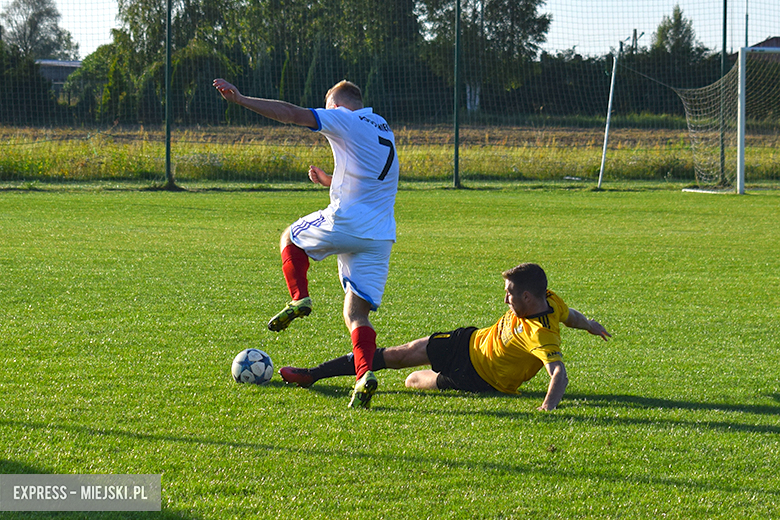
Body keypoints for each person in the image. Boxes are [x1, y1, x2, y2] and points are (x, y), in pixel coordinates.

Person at [213, 78, 399, 409]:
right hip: (380, 235)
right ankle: (364, 376)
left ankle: (299, 298)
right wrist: (329, 180)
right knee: (356, 313)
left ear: (336, 107)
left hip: (348, 222)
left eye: (328, 110)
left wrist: (241, 99)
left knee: (290, 237)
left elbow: (291, 113)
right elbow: (369, 178)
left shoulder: (344, 118)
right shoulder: (382, 126)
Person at [280, 263, 610, 411]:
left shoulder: (541, 335)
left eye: (509, 294)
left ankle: (424, 377)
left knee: (411, 380)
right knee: (399, 354)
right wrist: (590, 324)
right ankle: (313, 374)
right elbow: (570, 315)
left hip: (478, 378)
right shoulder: (551, 299)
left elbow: (558, 373)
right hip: (468, 341)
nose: (505, 299)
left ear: (527, 297)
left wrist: (547, 407)